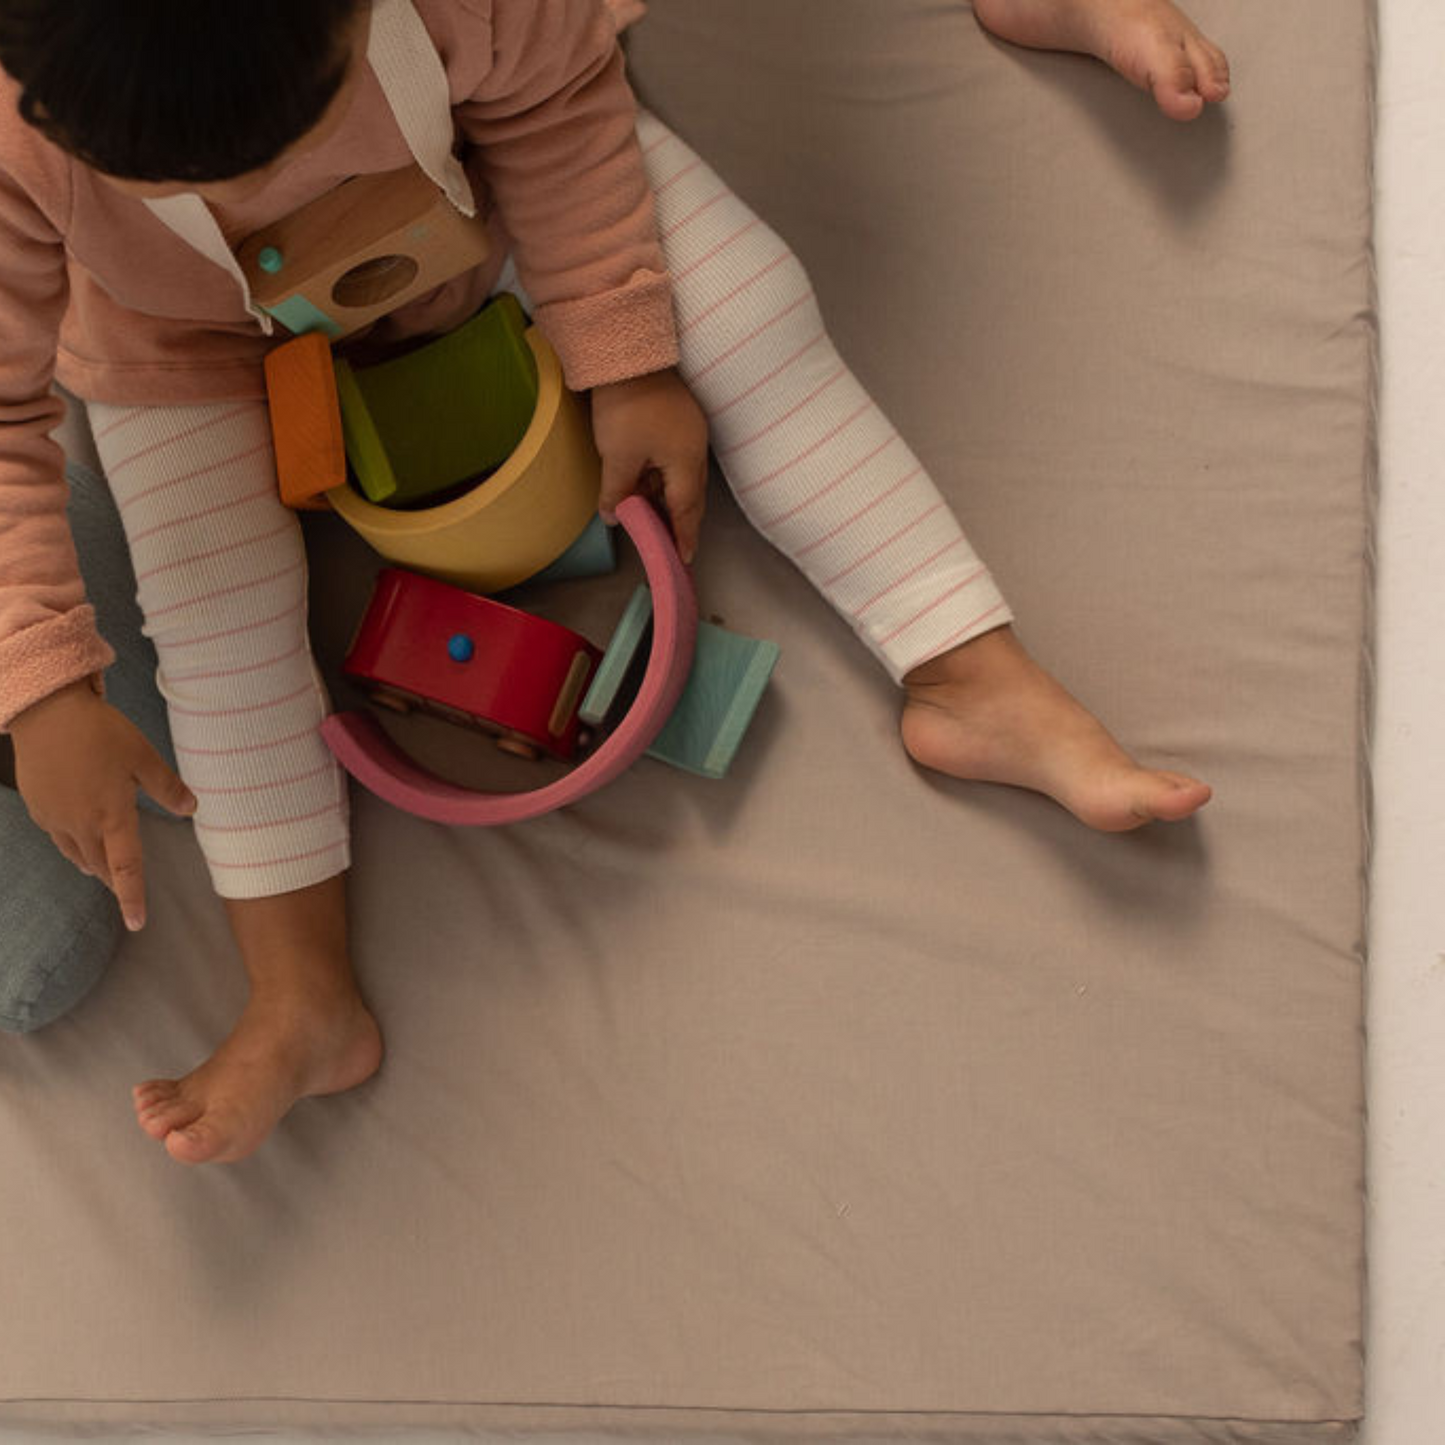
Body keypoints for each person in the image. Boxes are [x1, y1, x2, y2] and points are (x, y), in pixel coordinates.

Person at [0, 0, 1224, 1163]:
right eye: (180, 176)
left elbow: (556, 110)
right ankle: (301, 993)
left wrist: (625, 354)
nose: (244, 189)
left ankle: (964, 666)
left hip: (481, 194)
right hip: (187, 342)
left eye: (289, 134)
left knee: (752, 313)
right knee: (204, 609)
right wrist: (44, 682)